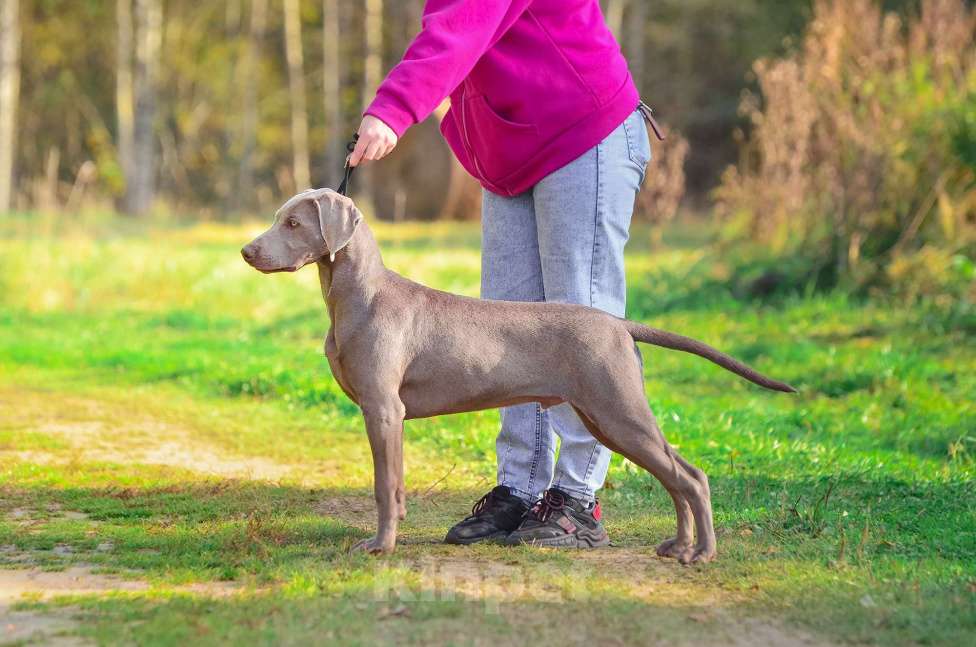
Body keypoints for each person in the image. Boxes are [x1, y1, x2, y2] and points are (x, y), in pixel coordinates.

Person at [349, 0, 656, 548]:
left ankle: (577, 498)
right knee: (503, 333)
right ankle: (520, 487)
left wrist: (392, 109)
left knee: (582, 322)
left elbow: (460, 30)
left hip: (581, 133)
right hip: (512, 154)